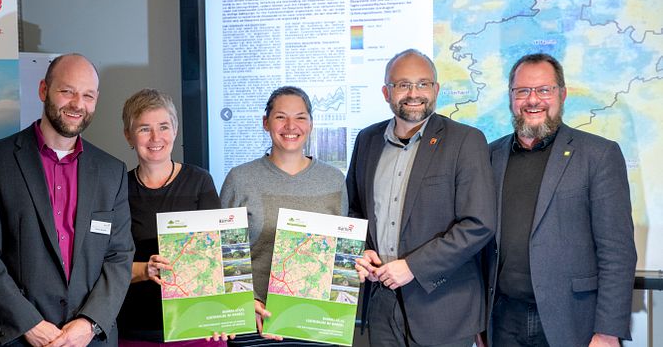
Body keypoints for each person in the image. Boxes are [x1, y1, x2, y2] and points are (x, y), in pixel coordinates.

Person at [0, 53, 135, 346]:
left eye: (87, 95)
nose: (77, 104)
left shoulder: (111, 172)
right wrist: (28, 323)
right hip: (19, 338)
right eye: (67, 91)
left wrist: (90, 323)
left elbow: (119, 256)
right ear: (44, 90)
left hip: (90, 340)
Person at [484, 53, 636, 347]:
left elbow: (617, 252)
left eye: (544, 90)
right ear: (511, 97)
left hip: (572, 320)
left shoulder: (598, 155)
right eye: (522, 91)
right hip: (502, 319)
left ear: (562, 94)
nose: (533, 100)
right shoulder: (490, 155)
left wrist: (607, 332)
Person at [348, 48, 496, 347]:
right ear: (386, 92)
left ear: (436, 89)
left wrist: (413, 266)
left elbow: (478, 224)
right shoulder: (367, 140)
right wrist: (360, 250)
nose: (414, 93)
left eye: (423, 84)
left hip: (443, 308)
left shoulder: (466, 141)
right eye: (403, 85)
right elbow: (354, 210)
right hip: (381, 306)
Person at [220, 86, 348, 346]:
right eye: (280, 117)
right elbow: (223, 252)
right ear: (265, 123)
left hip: (316, 323)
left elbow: (341, 252)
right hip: (255, 321)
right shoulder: (240, 178)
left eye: (300, 117)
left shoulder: (334, 180)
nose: (291, 125)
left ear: (311, 124)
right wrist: (244, 302)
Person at [117, 88, 227, 347]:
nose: (156, 137)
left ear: (175, 130)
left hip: (197, 328)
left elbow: (220, 254)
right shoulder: (117, 187)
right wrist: (145, 269)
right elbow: (105, 262)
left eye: (163, 127)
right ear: (128, 136)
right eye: (144, 128)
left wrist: (226, 313)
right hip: (135, 330)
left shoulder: (200, 181)